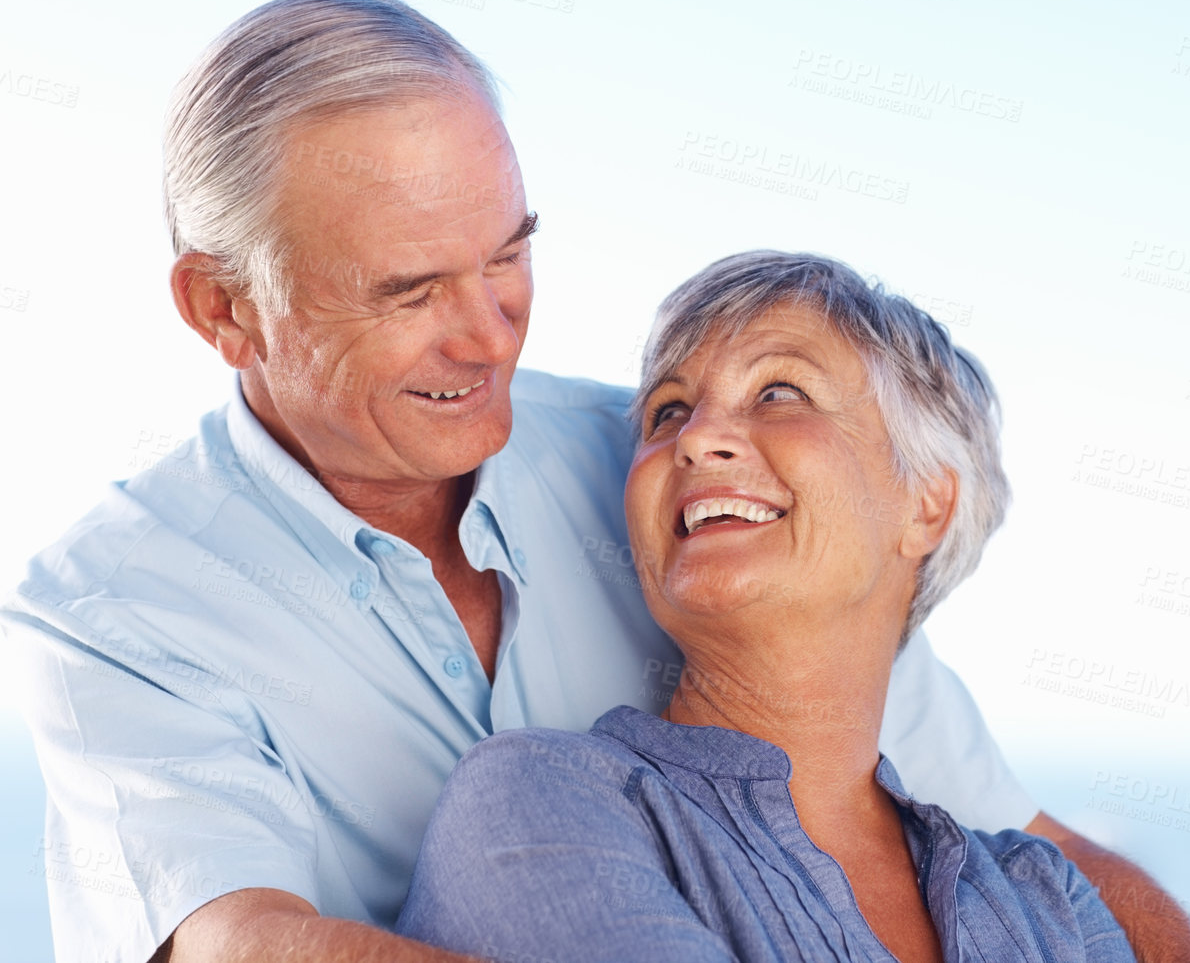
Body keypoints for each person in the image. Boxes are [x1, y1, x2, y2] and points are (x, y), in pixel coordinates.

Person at [0, 0, 1190, 963]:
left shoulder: (666, 476)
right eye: (409, 291)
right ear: (225, 308)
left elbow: (1012, 834)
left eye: (508, 254)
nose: (490, 335)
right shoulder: (117, 606)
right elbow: (239, 942)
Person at [397, 252, 1142, 962]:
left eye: (780, 393)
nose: (697, 440)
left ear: (927, 504)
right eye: (668, 412)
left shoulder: (1049, 898)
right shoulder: (540, 799)